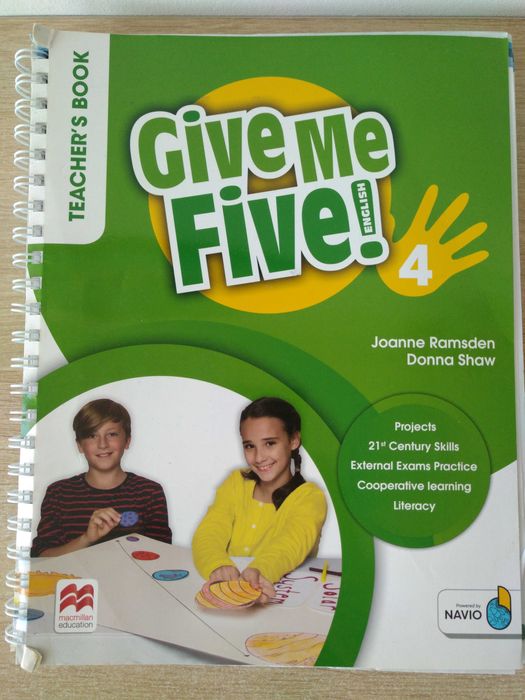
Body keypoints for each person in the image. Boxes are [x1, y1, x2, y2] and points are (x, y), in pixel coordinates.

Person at [192, 396, 327, 603]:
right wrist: (217, 564)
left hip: (285, 599)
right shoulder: (235, 482)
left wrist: (261, 570)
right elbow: (210, 530)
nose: (258, 457)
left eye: (270, 443)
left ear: (293, 440)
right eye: (249, 446)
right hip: (228, 594)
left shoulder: (309, 497)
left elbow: (291, 543)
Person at [31, 398, 172, 557]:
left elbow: (163, 556)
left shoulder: (150, 492)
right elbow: (41, 557)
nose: (102, 444)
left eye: (111, 434)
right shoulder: (58, 493)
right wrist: (87, 539)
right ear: (79, 445)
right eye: (92, 435)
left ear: (127, 441)